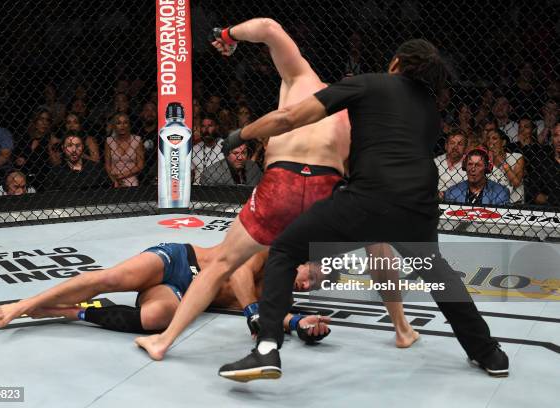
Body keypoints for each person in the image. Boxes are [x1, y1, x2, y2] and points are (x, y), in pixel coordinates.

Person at [216, 38, 508, 381]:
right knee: (436, 273)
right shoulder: (429, 106)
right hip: (420, 203)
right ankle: (489, 352)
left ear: (396, 62)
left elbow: (290, 117)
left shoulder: (368, 82)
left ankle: (266, 349)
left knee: (284, 249)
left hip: (371, 198)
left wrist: (239, 135)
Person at [134, 18, 418, 360]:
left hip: (281, 185)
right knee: (378, 240)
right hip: (325, 192)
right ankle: (402, 329)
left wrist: (226, 36)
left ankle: (163, 341)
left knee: (223, 262)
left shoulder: (301, 79)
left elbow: (268, 28)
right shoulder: (361, 114)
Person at [0, 247, 331, 344]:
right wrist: (252, 313)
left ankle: (67, 313)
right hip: (181, 260)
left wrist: (301, 324)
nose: (305, 284)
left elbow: (278, 317)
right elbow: (237, 271)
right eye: (309, 276)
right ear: (302, 264)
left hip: (179, 292)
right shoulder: (269, 254)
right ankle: (26, 303)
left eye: (311, 287)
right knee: (111, 278)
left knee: (155, 319)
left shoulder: (280, 296)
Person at [444, 148, 510, 205]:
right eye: (470, 164)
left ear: (487, 168)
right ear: (465, 167)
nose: (473, 169)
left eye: (478, 165)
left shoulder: (500, 193)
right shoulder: (452, 192)